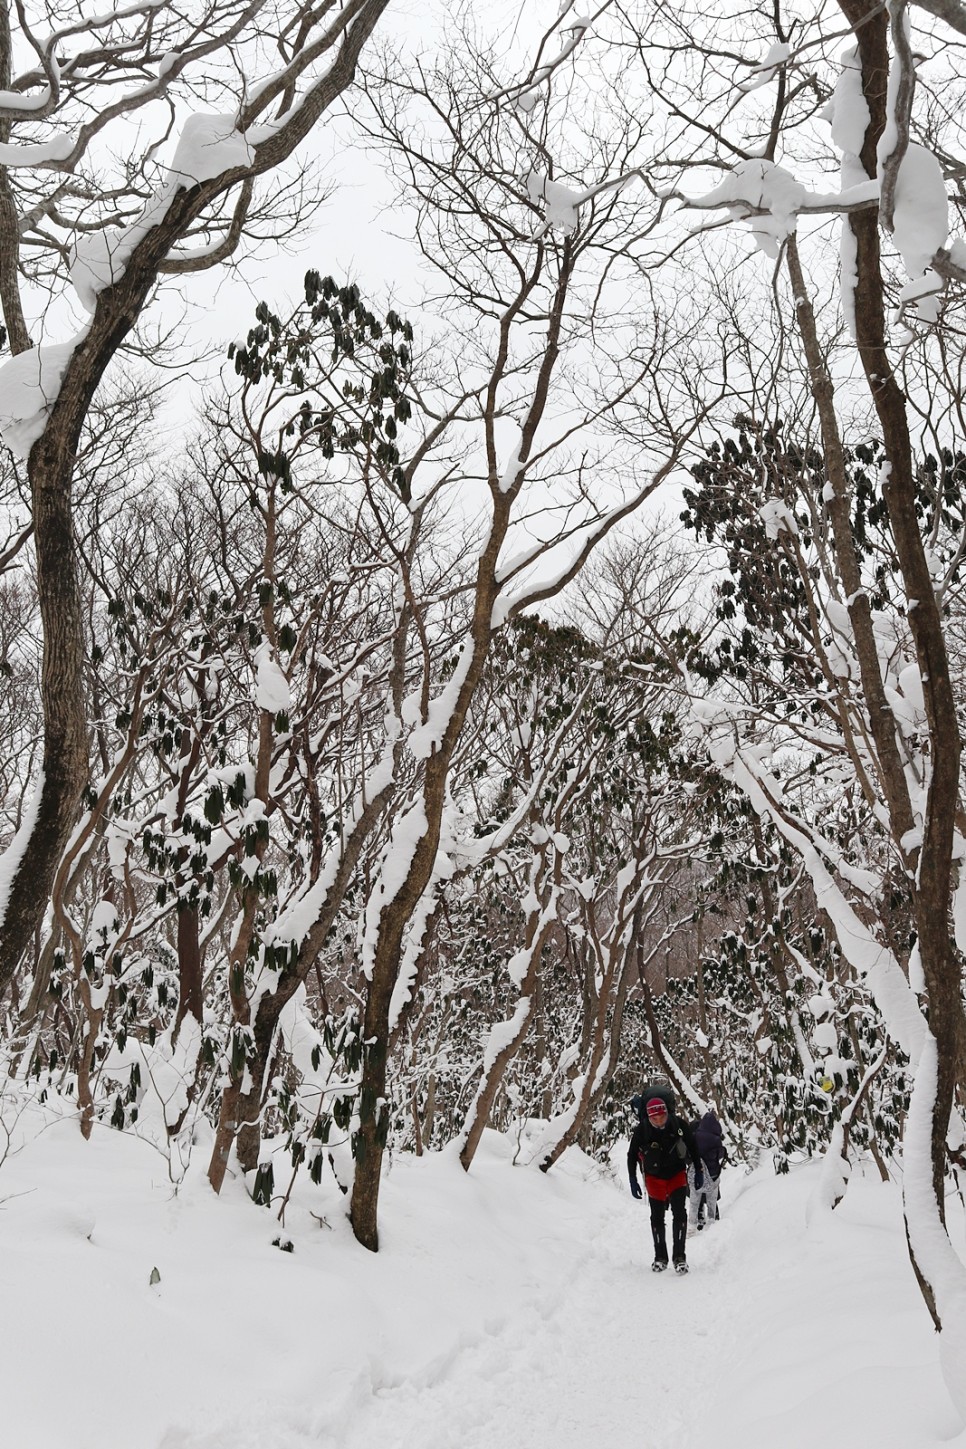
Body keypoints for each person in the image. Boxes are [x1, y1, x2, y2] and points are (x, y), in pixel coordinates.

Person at [628, 1094, 704, 1274]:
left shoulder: (679, 1125)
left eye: (662, 1117)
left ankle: (680, 1257)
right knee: (657, 1216)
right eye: (654, 1118)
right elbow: (631, 1155)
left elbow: (693, 1147)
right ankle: (660, 1257)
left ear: (667, 1113)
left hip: (676, 1173)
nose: (659, 1121)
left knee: (680, 1213)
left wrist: (699, 1169)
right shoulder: (642, 1130)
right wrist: (633, 1180)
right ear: (648, 1116)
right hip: (653, 1177)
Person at [688, 1109, 727, 1232]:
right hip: (713, 1173)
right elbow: (719, 1155)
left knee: (695, 1200)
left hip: (696, 1173)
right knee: (712, 1200)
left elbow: (688, 1154)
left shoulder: (694, 1136)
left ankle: (695, 1222)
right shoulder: (716, 1139)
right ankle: (713, 1220)